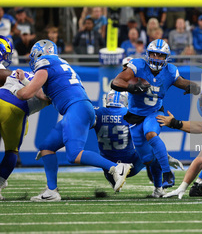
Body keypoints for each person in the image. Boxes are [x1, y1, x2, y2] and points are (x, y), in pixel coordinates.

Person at [12, 40, 132, 201]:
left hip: (76, 109)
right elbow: (45, 97)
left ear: (38, 54)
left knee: (73, 154)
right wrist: (26, 82)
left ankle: (116, 167)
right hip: (81, 108)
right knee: (47, 147)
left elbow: (25, 94)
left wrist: (13, 90)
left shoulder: (45, 63)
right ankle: (51, 191)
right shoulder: (59, 63)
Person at [111, 39, 200, 188]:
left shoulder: (170, 71)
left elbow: (182, 82)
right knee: (146, 159)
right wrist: (132, 87)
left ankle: (167, 173)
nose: (156, 58)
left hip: (154, 112)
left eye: (160, 55)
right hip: (135, 115)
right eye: (154, 54)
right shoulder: (138, 65)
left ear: (166, 58)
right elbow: (116, 82)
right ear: (148, 54)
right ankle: (162, 163)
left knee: (151, 133)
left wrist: (196, 86)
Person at [94, 89, 183, 197]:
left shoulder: (97, 113)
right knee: (153, 153)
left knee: (100, 156)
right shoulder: (130, 114)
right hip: (131, 166)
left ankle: (113, 180)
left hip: (109, 169)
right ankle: (158, 188)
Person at [0, 36, 48, 200]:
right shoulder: (49, 81)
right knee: (12, 151)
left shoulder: (15, 72)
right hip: (15, 109)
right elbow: (45, 96)